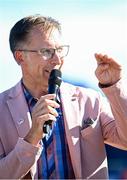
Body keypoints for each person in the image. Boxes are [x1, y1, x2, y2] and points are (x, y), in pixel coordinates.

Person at [0, 14, 127, 179]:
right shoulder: (2, 109)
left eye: (59, 50)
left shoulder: (89, 100)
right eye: (47, 51)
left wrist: (114, 86)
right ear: (20, 57)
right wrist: (31, 138)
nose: (58, 60)